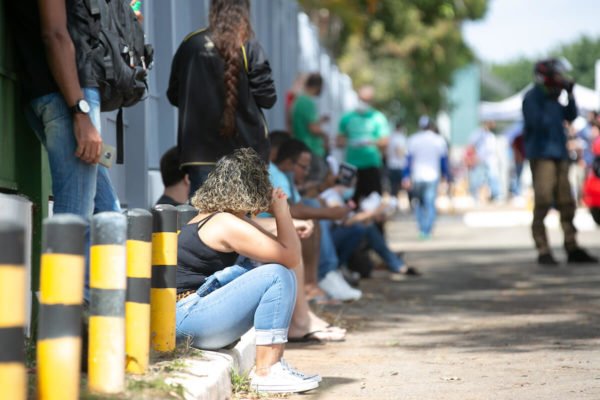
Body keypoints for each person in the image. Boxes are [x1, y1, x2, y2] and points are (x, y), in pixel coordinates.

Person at [175, 148, 319, 393]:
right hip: (189, 318)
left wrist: (286, 222)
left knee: (274, 270)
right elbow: (291, 257)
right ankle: (267, 370)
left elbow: (273, 242)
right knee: (277, 275)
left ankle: (272, 365)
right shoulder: (226, 223)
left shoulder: (214, 218)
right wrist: (282, 211)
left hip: (187, 317)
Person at [167, 0, 276, 196]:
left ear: (213, 10)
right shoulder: (249, 46)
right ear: (244, 12)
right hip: (245, 154)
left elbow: (174, 95)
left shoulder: (191, 43)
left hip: (198, 154)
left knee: (204, 222)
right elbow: (267, 98)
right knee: (242, 222)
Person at [522, 58, 598, 266]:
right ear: (545, 76)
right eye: (556, 76)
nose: (560, 79)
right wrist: (551, 96)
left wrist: (570, 95)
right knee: (544, 201)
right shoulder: (533, 97)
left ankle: (571, 246)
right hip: (542, 155)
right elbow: (537, 123)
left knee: (567, 202)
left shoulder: (555, 99)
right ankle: (543, 249)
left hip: (560, 155)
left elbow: (571, 116)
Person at [337, 85, 390, 206]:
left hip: (371, 165)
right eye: (362, 99)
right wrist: (350, 142)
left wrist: (371, 142)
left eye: (367, 100)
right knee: (349, 202)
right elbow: (339, 140)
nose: (363, 102)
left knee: (374, 201)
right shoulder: (347, 117)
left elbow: (385, 142)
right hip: (351, 165)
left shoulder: (378, 118)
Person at [403, 116, 449, 239]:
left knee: (419, 203)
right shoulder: (439, 140)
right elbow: (443, 161)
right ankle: (427, 230)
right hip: (433, 175)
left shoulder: (413, 140)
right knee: (430, 203)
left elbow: (408, 161)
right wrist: (445, 176)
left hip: (417, 176)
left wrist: (406, 176)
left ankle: (422, 229)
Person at [290, 72, 330, 188]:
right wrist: (325, 135)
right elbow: (313, 129)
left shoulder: (299, 100)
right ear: (318, 86)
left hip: (303, 146)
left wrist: (320, 121)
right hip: (312, 149)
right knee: (315, 183)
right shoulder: (307, 102)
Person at [468, 120, 500, 202]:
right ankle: (474, 196)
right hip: (480, 160)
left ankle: (495, 195)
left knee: (492, 177)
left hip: (490, 160)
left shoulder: (491, 135)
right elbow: (471, 145)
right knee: (477, 179)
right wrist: (474, 157)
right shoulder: (478, 134)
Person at [386, 121, 408, 205]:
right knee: (400, 186)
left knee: (393, 187)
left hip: (391, 165)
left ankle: (394, 204)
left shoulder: (391, 137)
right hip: (399, 165)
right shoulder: (399, 138)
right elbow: (399, 151)